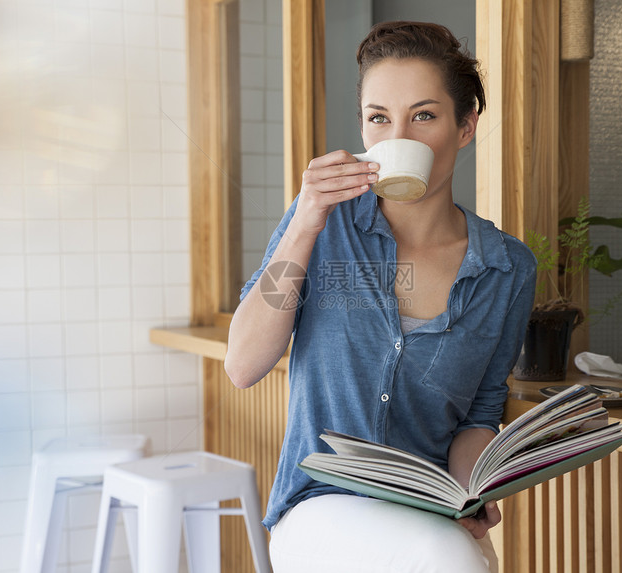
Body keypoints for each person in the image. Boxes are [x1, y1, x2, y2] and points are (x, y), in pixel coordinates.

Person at [225, 21, 536, 573]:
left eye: (424, 115)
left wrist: (471, 493)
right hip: (319, 506)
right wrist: (303, 227)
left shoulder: (506, 268)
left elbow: (479, 415)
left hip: (428, 517)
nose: (400, 138)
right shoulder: (321, 227)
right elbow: (244, 364)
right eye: (379, 118)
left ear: (465, 127)